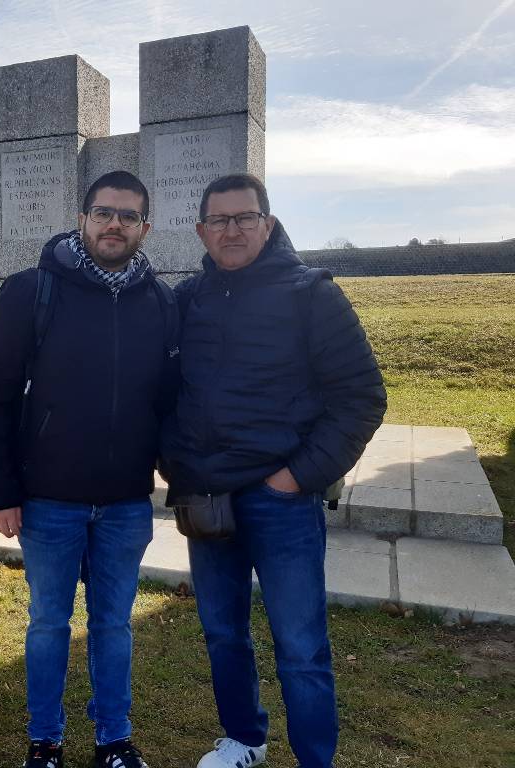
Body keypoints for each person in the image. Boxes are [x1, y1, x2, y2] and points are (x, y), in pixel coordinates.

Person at [160, 173, 386, 768]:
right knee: (223, 633)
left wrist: (296, 478)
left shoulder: (312, 293)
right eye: (219, 220)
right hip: (207, 499)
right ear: (201, 230)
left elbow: (360, 397)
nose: (231, 230)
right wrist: (175, 465)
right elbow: (162, 393)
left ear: (267, 221)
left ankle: (315, 759)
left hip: (281, 501)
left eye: (244, 217)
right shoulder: (186, 301)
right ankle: (244, 739)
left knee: (302, 646)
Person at [0, 170, 179, 768]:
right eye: (104, 212)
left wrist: (182, 477)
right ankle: (46, 740)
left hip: (125, 503)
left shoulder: (160, 301)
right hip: (49, 500)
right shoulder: (31, 289)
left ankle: (114, 738)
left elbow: (168, 402)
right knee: (49, 624)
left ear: (145, 227)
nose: (115, 224)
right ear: (83, 218)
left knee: (114, 626)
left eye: (128, 216)